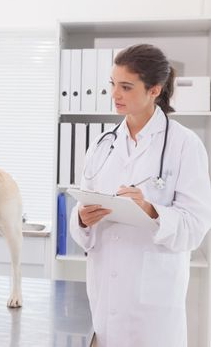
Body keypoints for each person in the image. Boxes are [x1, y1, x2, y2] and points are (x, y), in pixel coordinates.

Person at [70, 44, 211, 347]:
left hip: (153, 310)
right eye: (112, 84)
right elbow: (83, 212)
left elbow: (196, 227)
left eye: (126, 86)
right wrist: (82, 219)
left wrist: (150, 210)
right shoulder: (102, 145)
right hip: (105, 299)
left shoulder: (184, 145)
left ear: (154, 90)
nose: (115, 94)